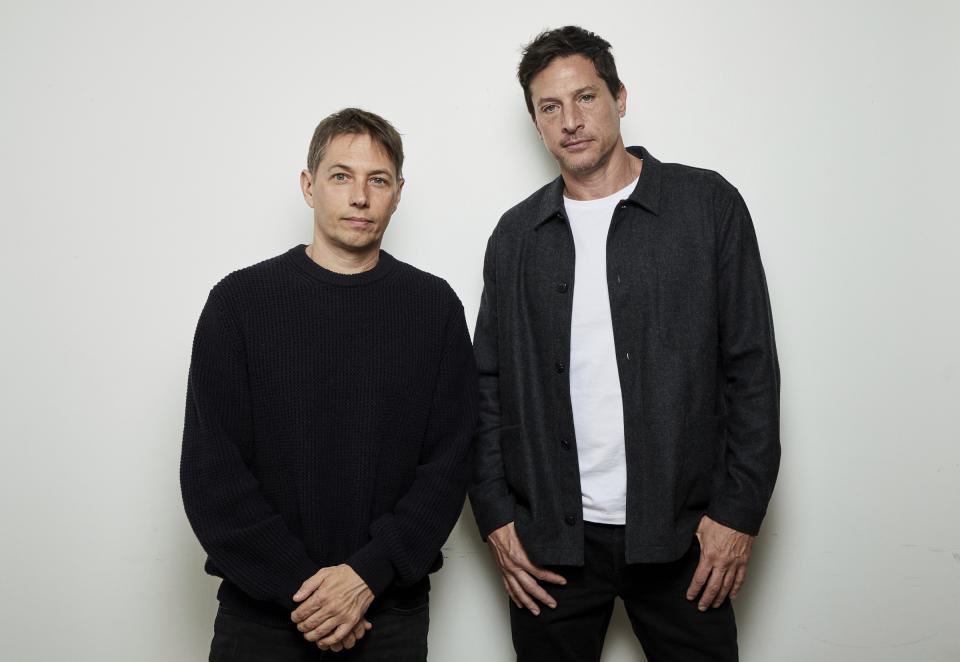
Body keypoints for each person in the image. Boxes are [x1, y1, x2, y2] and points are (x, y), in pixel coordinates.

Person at [469, 26, 780, 662]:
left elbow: (751, 371)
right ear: (535, 121)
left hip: (685, 537)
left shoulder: (706, 207)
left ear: (620, 97)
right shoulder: (515, 237)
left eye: (586, 97)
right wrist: (498, 520)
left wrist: (738, 514)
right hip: (552, 546)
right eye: (549, 107)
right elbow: (487, 386)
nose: (570, 121)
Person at [181, 108, 478, 661]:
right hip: (262, 617)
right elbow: (211, 474)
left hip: (388, 615)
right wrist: (311, 593)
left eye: (378, 180)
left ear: (398, 193)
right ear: (308, 186)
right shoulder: (238, 305)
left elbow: (449, 464)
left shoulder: (434, 309)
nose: (360, 197)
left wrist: (365, 577)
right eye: (341, 176)